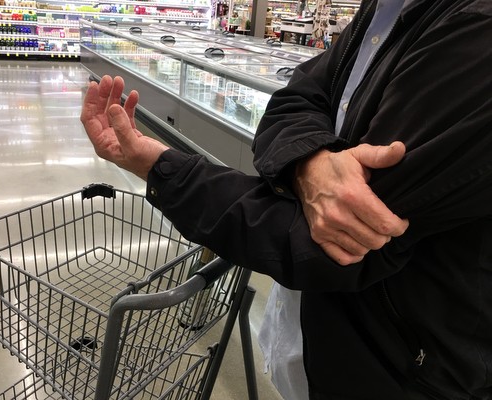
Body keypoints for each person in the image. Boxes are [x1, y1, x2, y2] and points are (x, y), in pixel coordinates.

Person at [80, 0, 492, 399]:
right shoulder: (384, 10)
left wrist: (160, 167)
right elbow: (294, 97)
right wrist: (311, 163)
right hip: (328, 342)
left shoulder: (475, 29)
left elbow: (331, 244)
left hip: (402, 372)